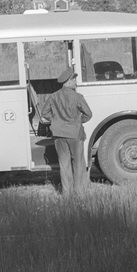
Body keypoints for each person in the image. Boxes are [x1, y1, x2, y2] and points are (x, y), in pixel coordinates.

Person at [39, 66, 93, 197]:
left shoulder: (54, 96)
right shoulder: (78, 97)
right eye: (74, 80)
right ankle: (79, 193)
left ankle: (66, 194)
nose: (76, 83)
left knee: (64, 164)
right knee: (78, 163)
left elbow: (44, 113)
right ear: (68, 81)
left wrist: (56, 121)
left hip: (59, 134)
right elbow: (88, 114)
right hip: (75, 134)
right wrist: (78, 122)